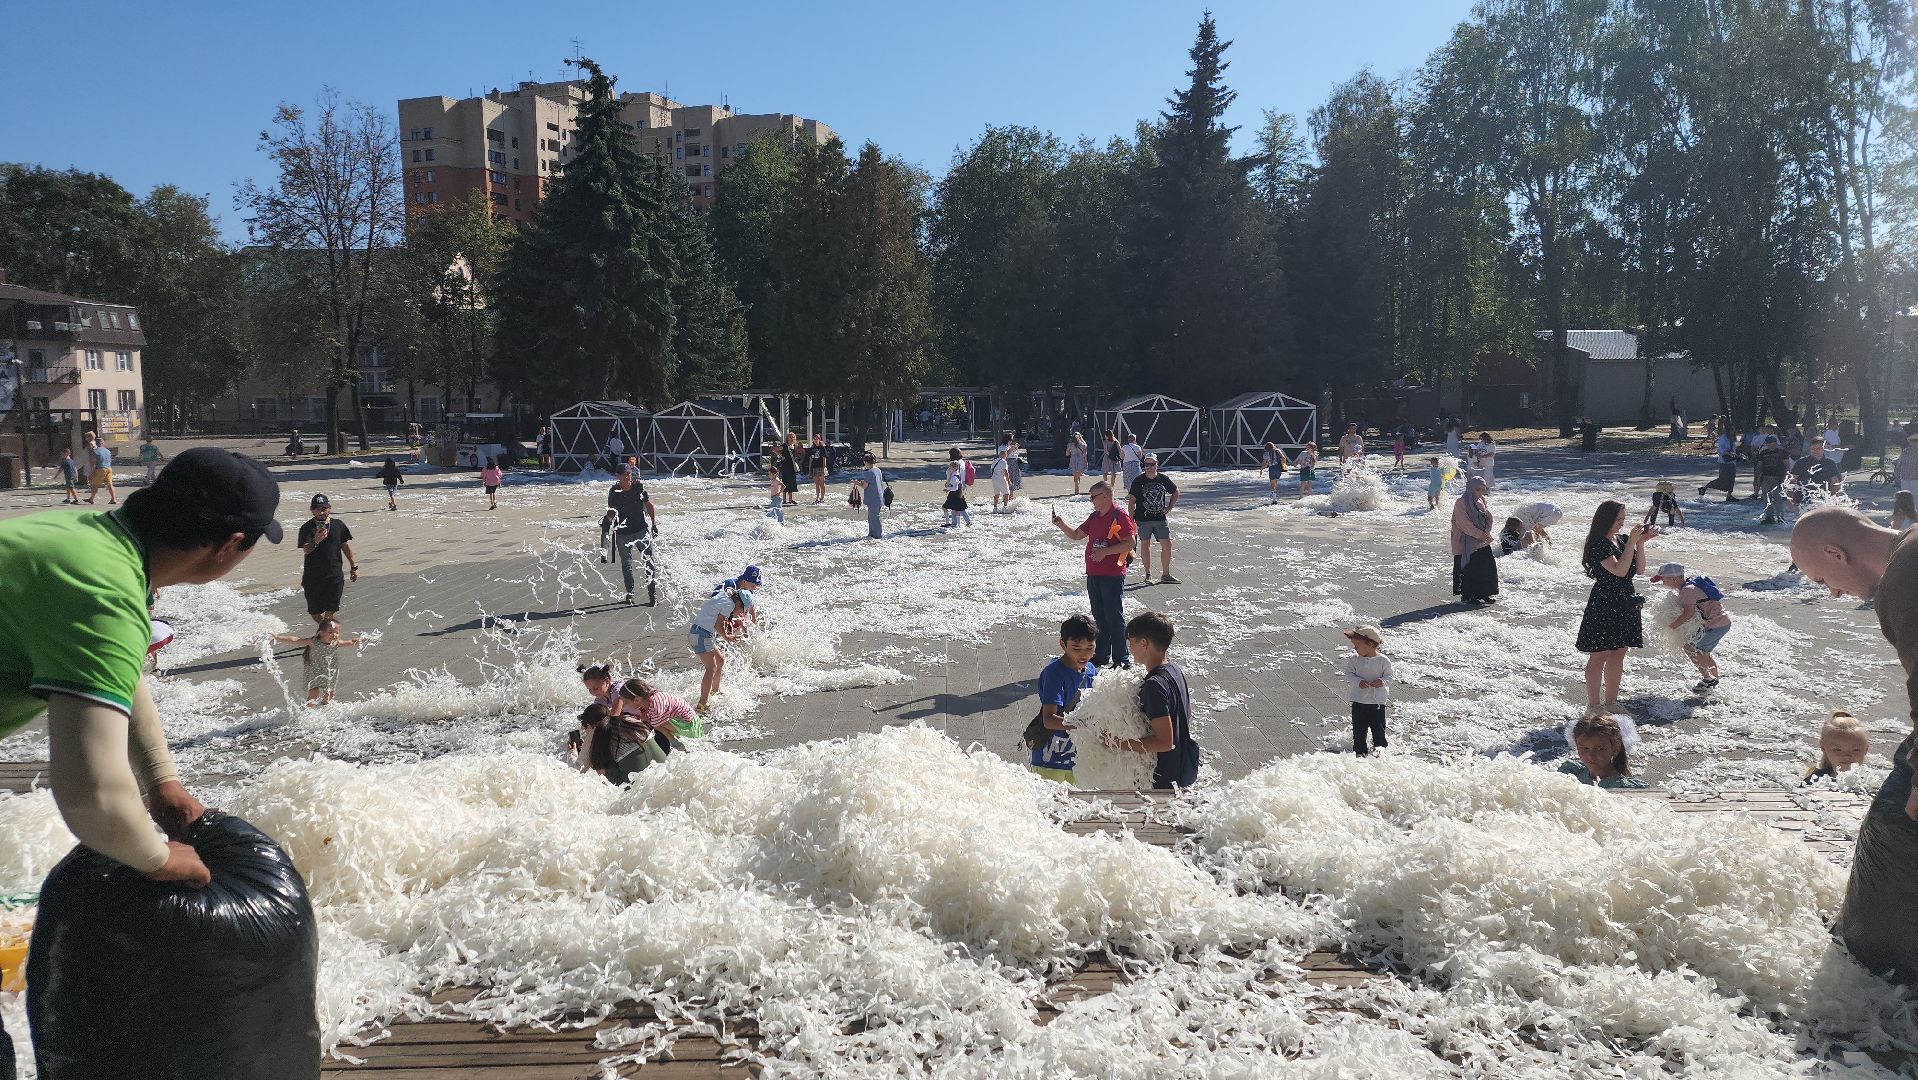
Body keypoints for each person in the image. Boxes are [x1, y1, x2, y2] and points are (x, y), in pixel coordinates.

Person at [0, 447, 287, 1070]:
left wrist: (161, 779)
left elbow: (117, 670)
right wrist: (158, 858)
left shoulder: (87, 541)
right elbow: (93, 798)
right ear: (231, 545)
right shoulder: (102, 593)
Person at [1791, 505, 1918, 985]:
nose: (1831, 591)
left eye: (1822, 578)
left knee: (1895, 828)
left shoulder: (1903, 581)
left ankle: (1882, 975)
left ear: (1835, 553)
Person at [1103, 612, 1199, 790]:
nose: (1129, 649)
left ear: (1143, 643)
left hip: (1160, 777)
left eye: (1130, 643)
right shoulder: (1174, 669)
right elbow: (1187, 711)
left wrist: (1117, 743)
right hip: (1179, 767)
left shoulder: (1154, 685)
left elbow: (1165, 742)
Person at [1576, 501, 1652, 716]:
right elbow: (1619, 570)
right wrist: (1631, 545)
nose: (1622, 523)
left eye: (1623, 519)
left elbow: (1640, 570)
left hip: (1625, 598)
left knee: (1619, 652)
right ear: (1606, 519)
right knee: (1599, 653)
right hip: (1605, 600)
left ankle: (1611, 702)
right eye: (1618, 519)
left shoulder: (1622, 540)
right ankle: (1594, 706)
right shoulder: (1597, 543)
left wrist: (1640, 544)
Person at [1050, 482, 1136, 670]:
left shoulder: (1119, 515)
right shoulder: (1094, 517)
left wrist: (1105, 552)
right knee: (1100, 617)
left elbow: (1130, 542)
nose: (1091, 501)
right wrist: (1061, 524)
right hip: (1094, 573)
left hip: (1112, 574)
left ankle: (1122, 659)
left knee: (1114, 618)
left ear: (1105, 496)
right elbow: (1076, 535)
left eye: (1093, 497)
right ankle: (1102, 655)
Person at [1028, 614, 1098, 783]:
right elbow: (1049, 720)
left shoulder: (1091, 670)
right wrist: (1085, 726)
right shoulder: (1054, 674)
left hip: (1079, 759)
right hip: (1050, 761)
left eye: (1090, 648)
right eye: (1076, 648)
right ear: (1062, 644)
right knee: (1051, 799)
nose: (1084, 655)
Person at [1651, 562, 1733, 691]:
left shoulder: (1687, 591)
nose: (1663, 582)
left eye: (1664, 579)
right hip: (1720, 622)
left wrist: (1671, 627)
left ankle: (1709, 679)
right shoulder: (1689, 585)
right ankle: (1713, 680)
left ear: (1674, 579)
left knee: (1693, 649)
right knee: (1701, 652)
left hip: (1716, 625)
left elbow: (1688, 614)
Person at [296, 493, 357, 626]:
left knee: (331, 609)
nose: (321, 512)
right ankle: (326, 630)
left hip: (334, 575)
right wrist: (316, 541)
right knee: (314, 611)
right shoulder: (306, 528)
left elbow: (345, 546)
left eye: (324, 509)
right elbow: (306, 549)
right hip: (312, 577)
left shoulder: (338, 525)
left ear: (329, 508)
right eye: (317, 509)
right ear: (312, 510)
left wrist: (353, 567)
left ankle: (328, 632)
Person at [272, 619, 362, 707]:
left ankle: (324, 704)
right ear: (321, 633)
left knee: (330, 694)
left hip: (329, 671)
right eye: (330, 632)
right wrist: (277, 637)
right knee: (314, 693)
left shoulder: (336, 643)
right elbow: (295, 640)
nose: (334, 635)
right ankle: (309, 710)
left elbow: (351, 642)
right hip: (313, 671)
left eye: (337, 632)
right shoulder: (313, 642)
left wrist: (365, 639)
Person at [603, 465, 658, 606]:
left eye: (628, 473)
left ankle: (652, 595)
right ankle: (630, 594)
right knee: (626, 565)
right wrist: (607, 521)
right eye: (623, 474)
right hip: (623, 534)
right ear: (618, 476)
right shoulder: (614, 491)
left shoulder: (638, 487)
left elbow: (649, 505)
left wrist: (654, 524)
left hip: (641, 530)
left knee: (649, 562)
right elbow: (612, 511)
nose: (627, 476)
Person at [689, 587, 750, 712]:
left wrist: (742, 625)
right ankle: (702, 704)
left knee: (720, 660)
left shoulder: (725, 597)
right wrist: (727, 637)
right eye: (742, 609)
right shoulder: (729, 605)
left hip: (700, 633)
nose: (741, 612)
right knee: (711, 668)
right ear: (739, 603)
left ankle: (715, 690)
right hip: (701, 635)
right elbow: (718, 624)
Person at [1128, 454, 1180, 585]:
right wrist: (1130, 519)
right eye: (1147, 465)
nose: (1149, 467)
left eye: (1152, 464)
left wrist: (1169, 507)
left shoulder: (1163, 479)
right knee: (1145, 545)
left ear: (1157, 464)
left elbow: (1175, 491)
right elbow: (1132, 501)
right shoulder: (1138, 480)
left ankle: (1165, 574)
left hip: (1160, 518)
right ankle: (1148, 574)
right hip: (1143, 519)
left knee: (1167, 544)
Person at [1557, 714, 1648, 789]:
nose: (1591, 755)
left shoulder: (1626, 788)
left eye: (1600, 749)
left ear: (1615, 749)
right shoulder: (1572, 774)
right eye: (1585, 748)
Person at [1343, 624, 1393, 756]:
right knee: (1358, 728)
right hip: (1358, 700)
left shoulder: (1383, 660)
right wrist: (1358, 682)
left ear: (1370, 644)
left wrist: (1381, 681)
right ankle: (1359, 750)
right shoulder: (1354, 659)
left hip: (1377, 702)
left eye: (1357, 646)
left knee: (1378, 727)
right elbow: (1349, 674)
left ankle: (1380, 747)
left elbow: (1390, 676)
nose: (1355, 649)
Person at [1449, 476, 1499, 604]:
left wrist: (1486, 531)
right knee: (1470, 568)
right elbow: (1463, 523)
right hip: (1465, 540)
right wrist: (1479, 534)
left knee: (1487, 566)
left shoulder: (1482, 500)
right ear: (1471, 488)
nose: (1481, 492)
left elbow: (1489, 517)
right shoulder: (1461, 502)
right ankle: (1470, 596)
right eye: (1478, 489)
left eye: (1483, 489)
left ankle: (1485, 593)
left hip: (1482, 539)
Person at [1804, 712, 1870, 783]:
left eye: (1855, 750)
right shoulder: (1813, 780)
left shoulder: (1872, 780)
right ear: (1823, 747)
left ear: (1866, 749)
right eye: (1838, 749)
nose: (1847, 756)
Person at [1788, 437, 1844, 511]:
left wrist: (1835, 499)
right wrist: (1790, 497)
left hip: (1824, 499)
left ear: (1823, 449)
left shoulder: (1830, 463)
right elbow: (1792, 480)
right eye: (1813, 449)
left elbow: (1835, 483)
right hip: (1804, 499)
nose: (1815, 451)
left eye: (1818, 449)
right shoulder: (1801, 463)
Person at [1700, 425, 1741, 502]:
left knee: (1732, 479)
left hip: (1732, 461)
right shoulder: (1723, 438)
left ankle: (1729, 495)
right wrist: (1728, 453)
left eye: (1734, 429)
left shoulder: (1732, 438)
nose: (1733, 431)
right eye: (1731, 429)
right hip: (1724, 462)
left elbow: (1734, 448)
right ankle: (1704, 488)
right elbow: (1720, 449)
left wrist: (1736, 454)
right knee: (1722, 479)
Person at [854, 452, 885, 538]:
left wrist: (857, 483)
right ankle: (871, 534)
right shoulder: (877, 470)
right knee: (872, 518)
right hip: (880, 497)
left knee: (873, 519)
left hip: (873, 498)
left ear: (866, 462)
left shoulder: (869, 472)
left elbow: (864, 486)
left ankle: (877, 536)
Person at [943, 448, 973, 528]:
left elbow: (954, 475)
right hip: (961, 486)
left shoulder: (956, 463)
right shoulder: (961, 462)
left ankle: (961, 522)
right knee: (958, 506)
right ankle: (958, 523)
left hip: (957, 487)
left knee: (958, 507)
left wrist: (948, 486)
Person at [83, 434, 115, 505]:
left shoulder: (95, 451)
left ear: (96, 443)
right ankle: (113, 499)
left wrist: (93, 471)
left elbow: (92, 462)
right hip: (109, 468)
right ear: (102, 443)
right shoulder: (107, 451)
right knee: (109, 484)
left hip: (100, 469)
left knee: (94, 484)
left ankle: (91, 499)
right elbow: (110, 460)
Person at [805, 433, 831, 504]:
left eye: (817, 439)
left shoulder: (822, 448)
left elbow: (824, 458)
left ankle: (822, 498)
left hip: (821, 467)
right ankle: (817, 497)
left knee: (822, 483)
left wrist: (824, 467)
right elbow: (811, 458)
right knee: (817, 483)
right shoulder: (812, 448)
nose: (815, 440)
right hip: (814, 467)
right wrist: (810, 469)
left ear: (819, 439)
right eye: (814, 439)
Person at [779, 432, 801, 507]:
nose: (792, 438)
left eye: (793, 437)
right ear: (787, 438)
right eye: (790, 437)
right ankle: (784, 500)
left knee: (792, 482)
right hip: (785, 466)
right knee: (785, 482)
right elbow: (774, 449)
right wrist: (781, 456)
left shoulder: (794, 445)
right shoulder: (784, 446)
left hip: (792, 467)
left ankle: (790, 500)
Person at [990, 446, 1013, 513]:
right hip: (1001, 478)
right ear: (1005, 455)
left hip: (994, 478)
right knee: (1006, 493)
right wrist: (1009, 481)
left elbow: (991, 470)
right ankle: (1005, 508)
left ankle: (995, 508)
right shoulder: (1003, 462)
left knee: (996, 494)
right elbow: (1006, 472)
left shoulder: (994, 461)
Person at [765, 460, 786, 524]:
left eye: (770, 474)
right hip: (773, 498)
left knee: (777, 511)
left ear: (774, 474)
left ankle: (781, 523)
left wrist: (779, 493)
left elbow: (784, 486)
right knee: (772, 511)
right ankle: (772, 523)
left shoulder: (777, 480)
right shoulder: (773, 480)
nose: (769, 475)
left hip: (777, 498)